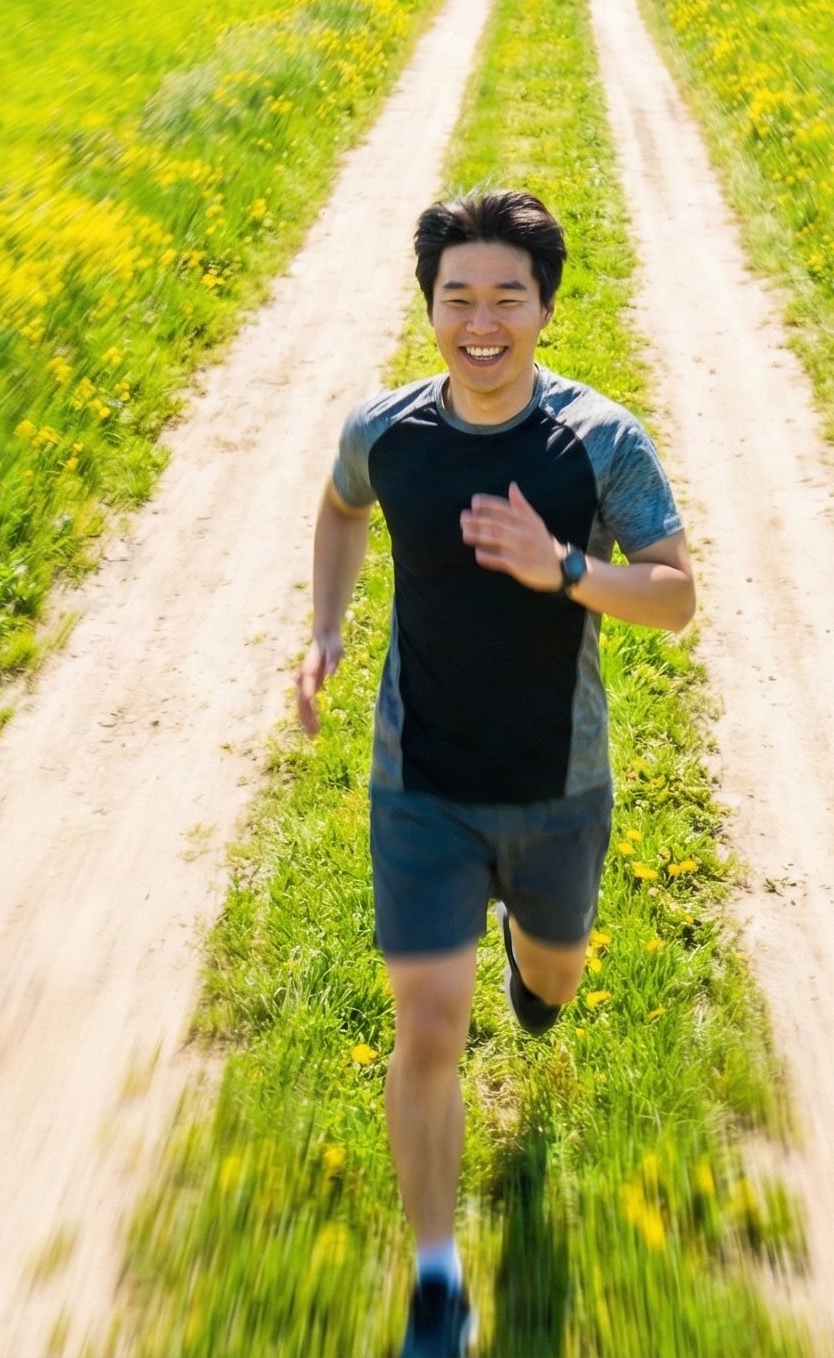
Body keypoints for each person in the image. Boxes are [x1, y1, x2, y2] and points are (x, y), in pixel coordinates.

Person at [294, 189, 694, 1357]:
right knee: (427, 1022)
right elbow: (336, 510)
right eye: (455, 298)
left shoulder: (600, 441)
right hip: (416, 779)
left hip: (556, 783)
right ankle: (434, 1281)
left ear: (545, 310)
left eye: (505, 299)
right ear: (427, 308)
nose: (480, 323)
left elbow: (673, 596)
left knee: (552, 979)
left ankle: (535, 972)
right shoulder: (387, 433)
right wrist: (324, 627)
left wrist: (562, 566)